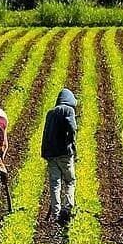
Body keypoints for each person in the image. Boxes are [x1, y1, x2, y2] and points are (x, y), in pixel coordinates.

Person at [41, 88, 78, 226]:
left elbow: (45, 133)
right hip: (64, 153)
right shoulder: (68, 111)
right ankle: (67, 208)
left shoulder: (50, 113)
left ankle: (56, 214)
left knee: (55, 183)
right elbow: (72, 128)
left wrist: (45, 152)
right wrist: (72, 144)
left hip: (51, 154)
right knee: (70, 181)